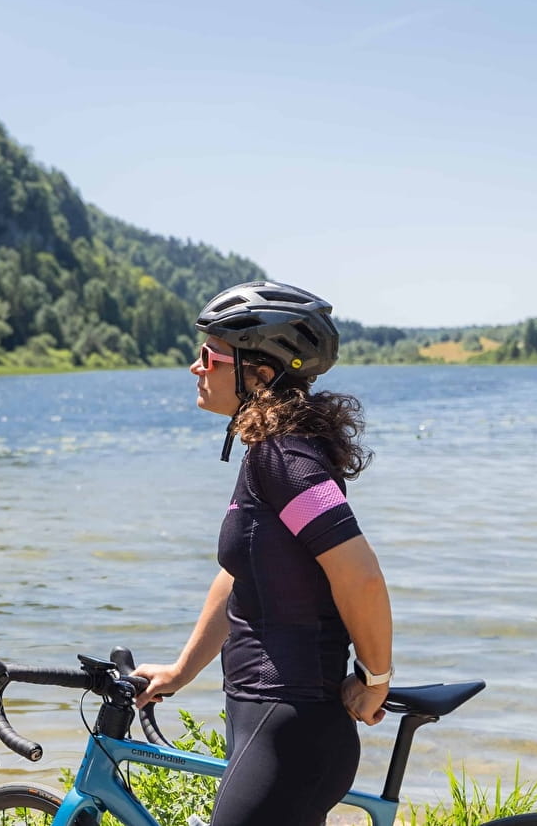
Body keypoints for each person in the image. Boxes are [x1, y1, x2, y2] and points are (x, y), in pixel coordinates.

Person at [133, 281, 393, 826]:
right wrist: (182, 671)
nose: (195, 367)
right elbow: (240, 574)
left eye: (209, 355)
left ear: (260, 373)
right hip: (271, 724)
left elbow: (361, 575)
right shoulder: (271, 453)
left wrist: (375, 679)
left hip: (291, 726)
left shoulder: (286, 457)